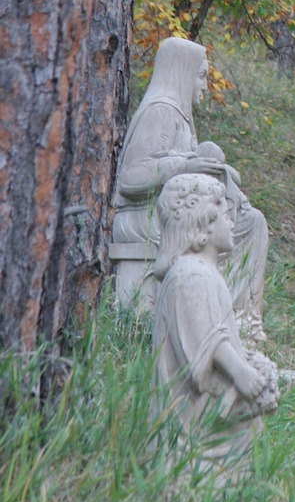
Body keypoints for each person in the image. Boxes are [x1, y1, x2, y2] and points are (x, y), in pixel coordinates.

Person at [112, 37, 268, 336]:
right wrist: (186, 165)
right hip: (143, 218)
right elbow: (131, 178)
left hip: (166, 212)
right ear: (182, 73)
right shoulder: (161, 111)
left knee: (247, 222)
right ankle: (227, 323)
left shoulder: (180, 116)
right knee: (246, 225)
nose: (205, 86)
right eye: (201, 76)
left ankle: (230, 321)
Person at [151, 173, 277, 469]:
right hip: (194, 422)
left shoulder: (205, 273)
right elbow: (207, 342)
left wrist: (252, 362)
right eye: (224, 213)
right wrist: (240, 372)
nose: (233, 220)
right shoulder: (190, 276)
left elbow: (224, 337)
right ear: (202, 224)